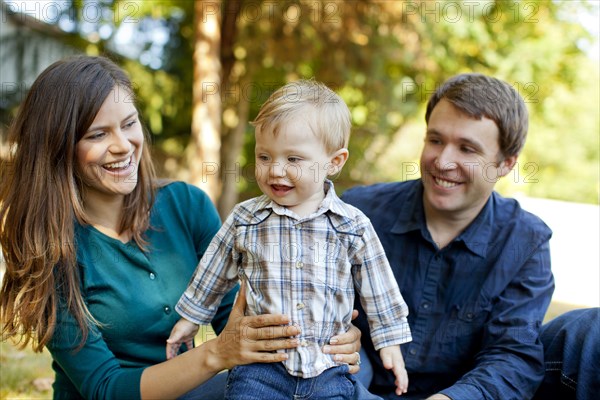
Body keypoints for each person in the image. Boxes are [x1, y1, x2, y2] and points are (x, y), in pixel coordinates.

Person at [0, 56, 362, 400]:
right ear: (59, 147)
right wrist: (217, 355)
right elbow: (104, 389)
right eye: (98, 135)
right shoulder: (47, 247)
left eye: (129, 124)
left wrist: (321, 337)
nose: (123, 146)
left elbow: (236, 316)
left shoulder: (185, 206)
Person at [166, 80, 412, 399]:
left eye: (293, 159)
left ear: (334, 162)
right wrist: (191, 318)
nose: (276, 170)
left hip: (328, 366)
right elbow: (214, 270)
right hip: (260, 367)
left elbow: (378, 285)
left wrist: (389, 340)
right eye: (265, 157)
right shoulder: (247, 219)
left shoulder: (352, 225)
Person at [342, 73, 557, 399]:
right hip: (349, 386)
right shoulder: (356, 213)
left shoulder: (525, 242)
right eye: (436, 140)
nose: (443, 162)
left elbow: (512, 356)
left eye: (467, 149)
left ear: (505, 164)